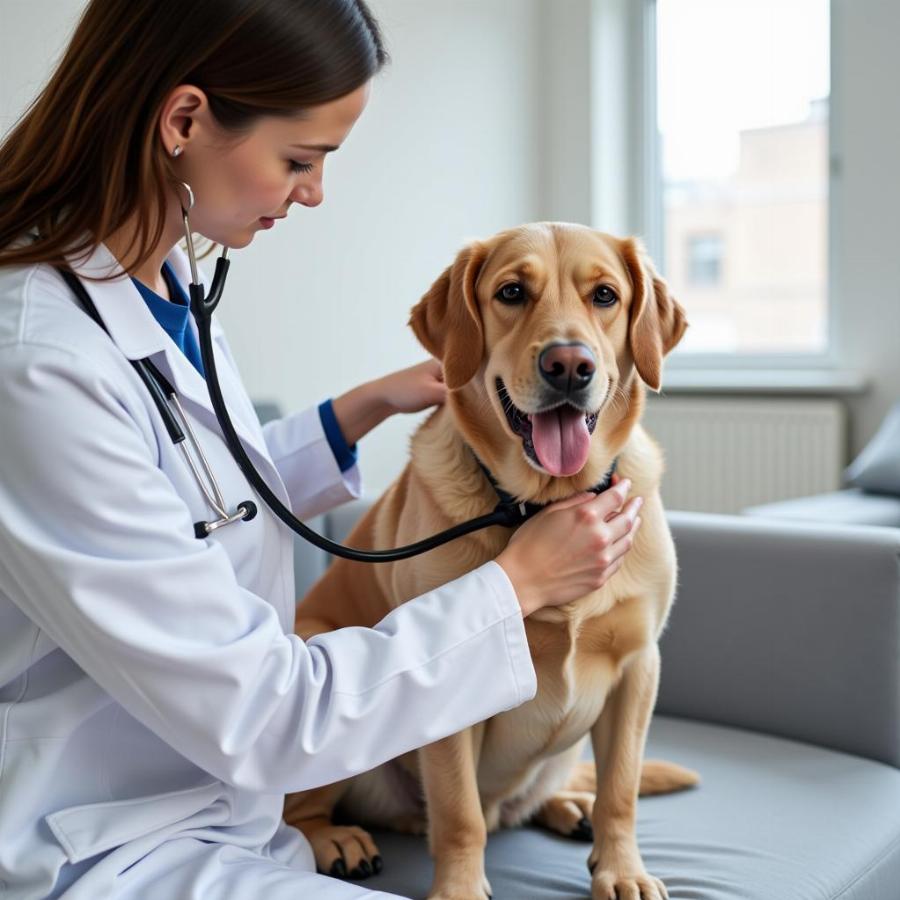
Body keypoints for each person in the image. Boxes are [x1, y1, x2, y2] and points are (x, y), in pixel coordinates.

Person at [0, 1, 643, 897]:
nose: (313, 193)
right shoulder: (36, 363)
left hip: (230, 812)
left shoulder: (161, 282)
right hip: (102, 844)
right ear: (183, 122)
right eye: (300, 160)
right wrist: (519, 582)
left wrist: (356, 411)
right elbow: (266, 712)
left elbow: (190, 493)